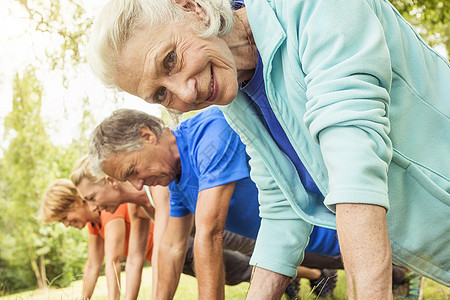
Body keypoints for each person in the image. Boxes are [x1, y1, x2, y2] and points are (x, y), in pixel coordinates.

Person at [88, 0, 450, 299]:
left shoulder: (307, 8)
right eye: (161, 95)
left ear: (192, 7)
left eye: (170, 59)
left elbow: (353, 155)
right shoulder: (236, 99)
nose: (185, 94)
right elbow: (280, 205)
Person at [69, 155, 264, 298]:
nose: (94, 207)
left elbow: (161, 250)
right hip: (190, 230)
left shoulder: (155, 187)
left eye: (92, 198)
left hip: (216, 219)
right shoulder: (135, 209)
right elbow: (135, 260)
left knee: (254, 245)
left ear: (110, 181)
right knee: (240, 267)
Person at [40, 179, 152, 300]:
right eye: (61, 221)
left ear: (76, 201)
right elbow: (92, 265)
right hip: (152, 256)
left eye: (64, 217)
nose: (66, 224)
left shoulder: (108, 209)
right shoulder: (94, 224)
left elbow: (114, 261)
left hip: (161, 245)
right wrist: (84, 298)